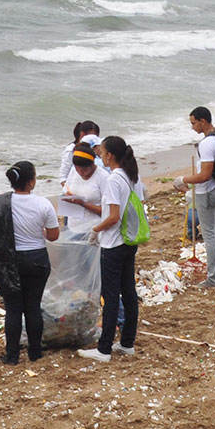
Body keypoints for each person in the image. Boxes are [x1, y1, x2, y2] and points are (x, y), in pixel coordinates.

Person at [0, 161, 59, 365]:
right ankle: (35, 353)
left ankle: (11, 356)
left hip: (10, 261)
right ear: (31, 182)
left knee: (13, 309)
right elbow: (53, 235)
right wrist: (40, 232)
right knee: (33, 307)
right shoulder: (43, 204)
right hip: (37, 259)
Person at [79, 137, 145, 362]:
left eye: (102, 151)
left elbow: (113, 217)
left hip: (114, 244)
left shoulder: (113, 180)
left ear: (110, 156)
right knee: (128, 292)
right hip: (127, 242)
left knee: (110, 296)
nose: (99, 154)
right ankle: (127, 343)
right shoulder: (128, 175)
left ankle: (104, 348)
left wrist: (96, 229)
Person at [175, 107, 215, 287]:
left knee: (209, 233)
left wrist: (182, 179)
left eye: (193, 123)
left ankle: (213, 277)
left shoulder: (207, 144)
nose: (192, 127)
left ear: (203, 121)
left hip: (207, 191)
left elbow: (204, 175)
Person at [60, 143, 110, 232]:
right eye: (77, 169)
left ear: (92, 164)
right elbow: (66, 188)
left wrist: (83, 204)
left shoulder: (103, 177)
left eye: (84, 170)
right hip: (73, 226)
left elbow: (108, 211)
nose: (80, 173)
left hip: (93, 228)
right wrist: (67, 195)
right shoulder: (73, 172)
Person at [59, 121, 98, 188]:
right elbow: (63, 177)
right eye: (92, 137)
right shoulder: (70, 151)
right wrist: (69, 192)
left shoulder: (94, 149)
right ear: (82, 135)